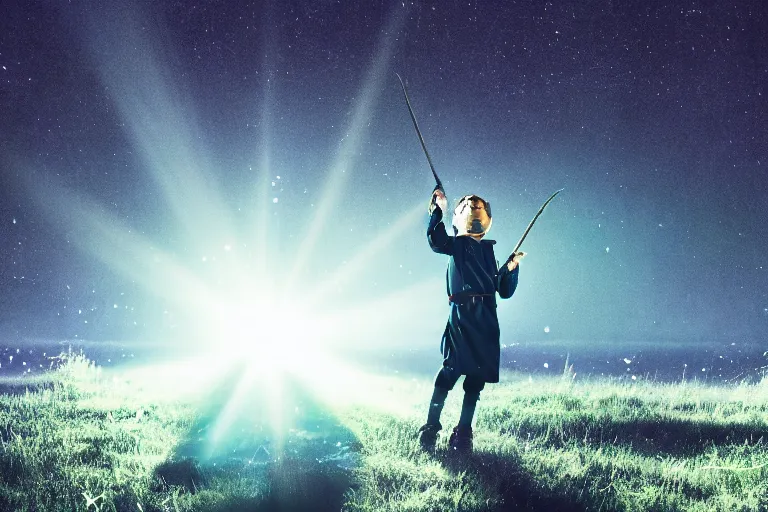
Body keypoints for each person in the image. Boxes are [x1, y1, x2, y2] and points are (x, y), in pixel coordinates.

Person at [417, 188, 523, 455]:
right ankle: (431, 426)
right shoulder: (457, 244)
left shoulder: (488, 250)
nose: (472, 206)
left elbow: (502, 289)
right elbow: (436, 240)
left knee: (476, 378)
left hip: (487, 317)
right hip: (462, 315)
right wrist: (438, 208)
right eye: (466, 205)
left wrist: (510, 269)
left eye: (477, 206)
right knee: (450, 370)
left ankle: (463, 432)